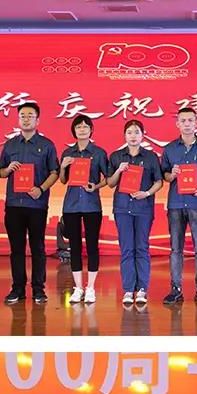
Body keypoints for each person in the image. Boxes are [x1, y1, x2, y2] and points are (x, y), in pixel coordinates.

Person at [0, 100, 58, 306]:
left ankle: (39, 289)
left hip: (36, 204)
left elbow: (54, 172)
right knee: (16, 249)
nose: (26, 119)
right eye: (22, 115)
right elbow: (0, 172)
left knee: (37, 247)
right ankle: (18, 288)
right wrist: (8, 169)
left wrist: (40, 189)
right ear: (18, 119)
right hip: (14, 204)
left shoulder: (47, 145)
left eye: (30, 116)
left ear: (37, 120)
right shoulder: (10, 144)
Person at [160, 107, 197, 307]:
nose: (187, 124)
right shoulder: (170, 149)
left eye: (190, 120)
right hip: (176, 204)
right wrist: (172, 175)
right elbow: (164, 175)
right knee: (175, 249)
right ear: (177, 124)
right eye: (183, 121)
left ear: (196, 123)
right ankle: (175, 289)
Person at [106, 118, 163, 304]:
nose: (133, 136)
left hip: (143, 208)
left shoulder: (151, 157)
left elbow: (159, 181)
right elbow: (110, 183)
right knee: (127, 249)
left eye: (137, 132)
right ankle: (128, 290)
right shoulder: (116, 156)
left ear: (143, 135)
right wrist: (118, 171)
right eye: (129, 132)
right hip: (122, 208)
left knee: (142, 247)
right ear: (124, 135)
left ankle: (142, 289)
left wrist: (146, 193)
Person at [58, 114, 110, 303]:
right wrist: (63, 167)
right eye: (78, 127)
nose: (82, 129)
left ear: (91, 130)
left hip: (92, 205)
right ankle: (78, 287)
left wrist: (95, 186)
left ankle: (91, 288)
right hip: (71, 205)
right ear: (74, 131)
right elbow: (63, 180)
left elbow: (108, 178)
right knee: (75, 247)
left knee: (92, 245)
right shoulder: (67, 153)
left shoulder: (99, 153)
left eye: (85, 126)